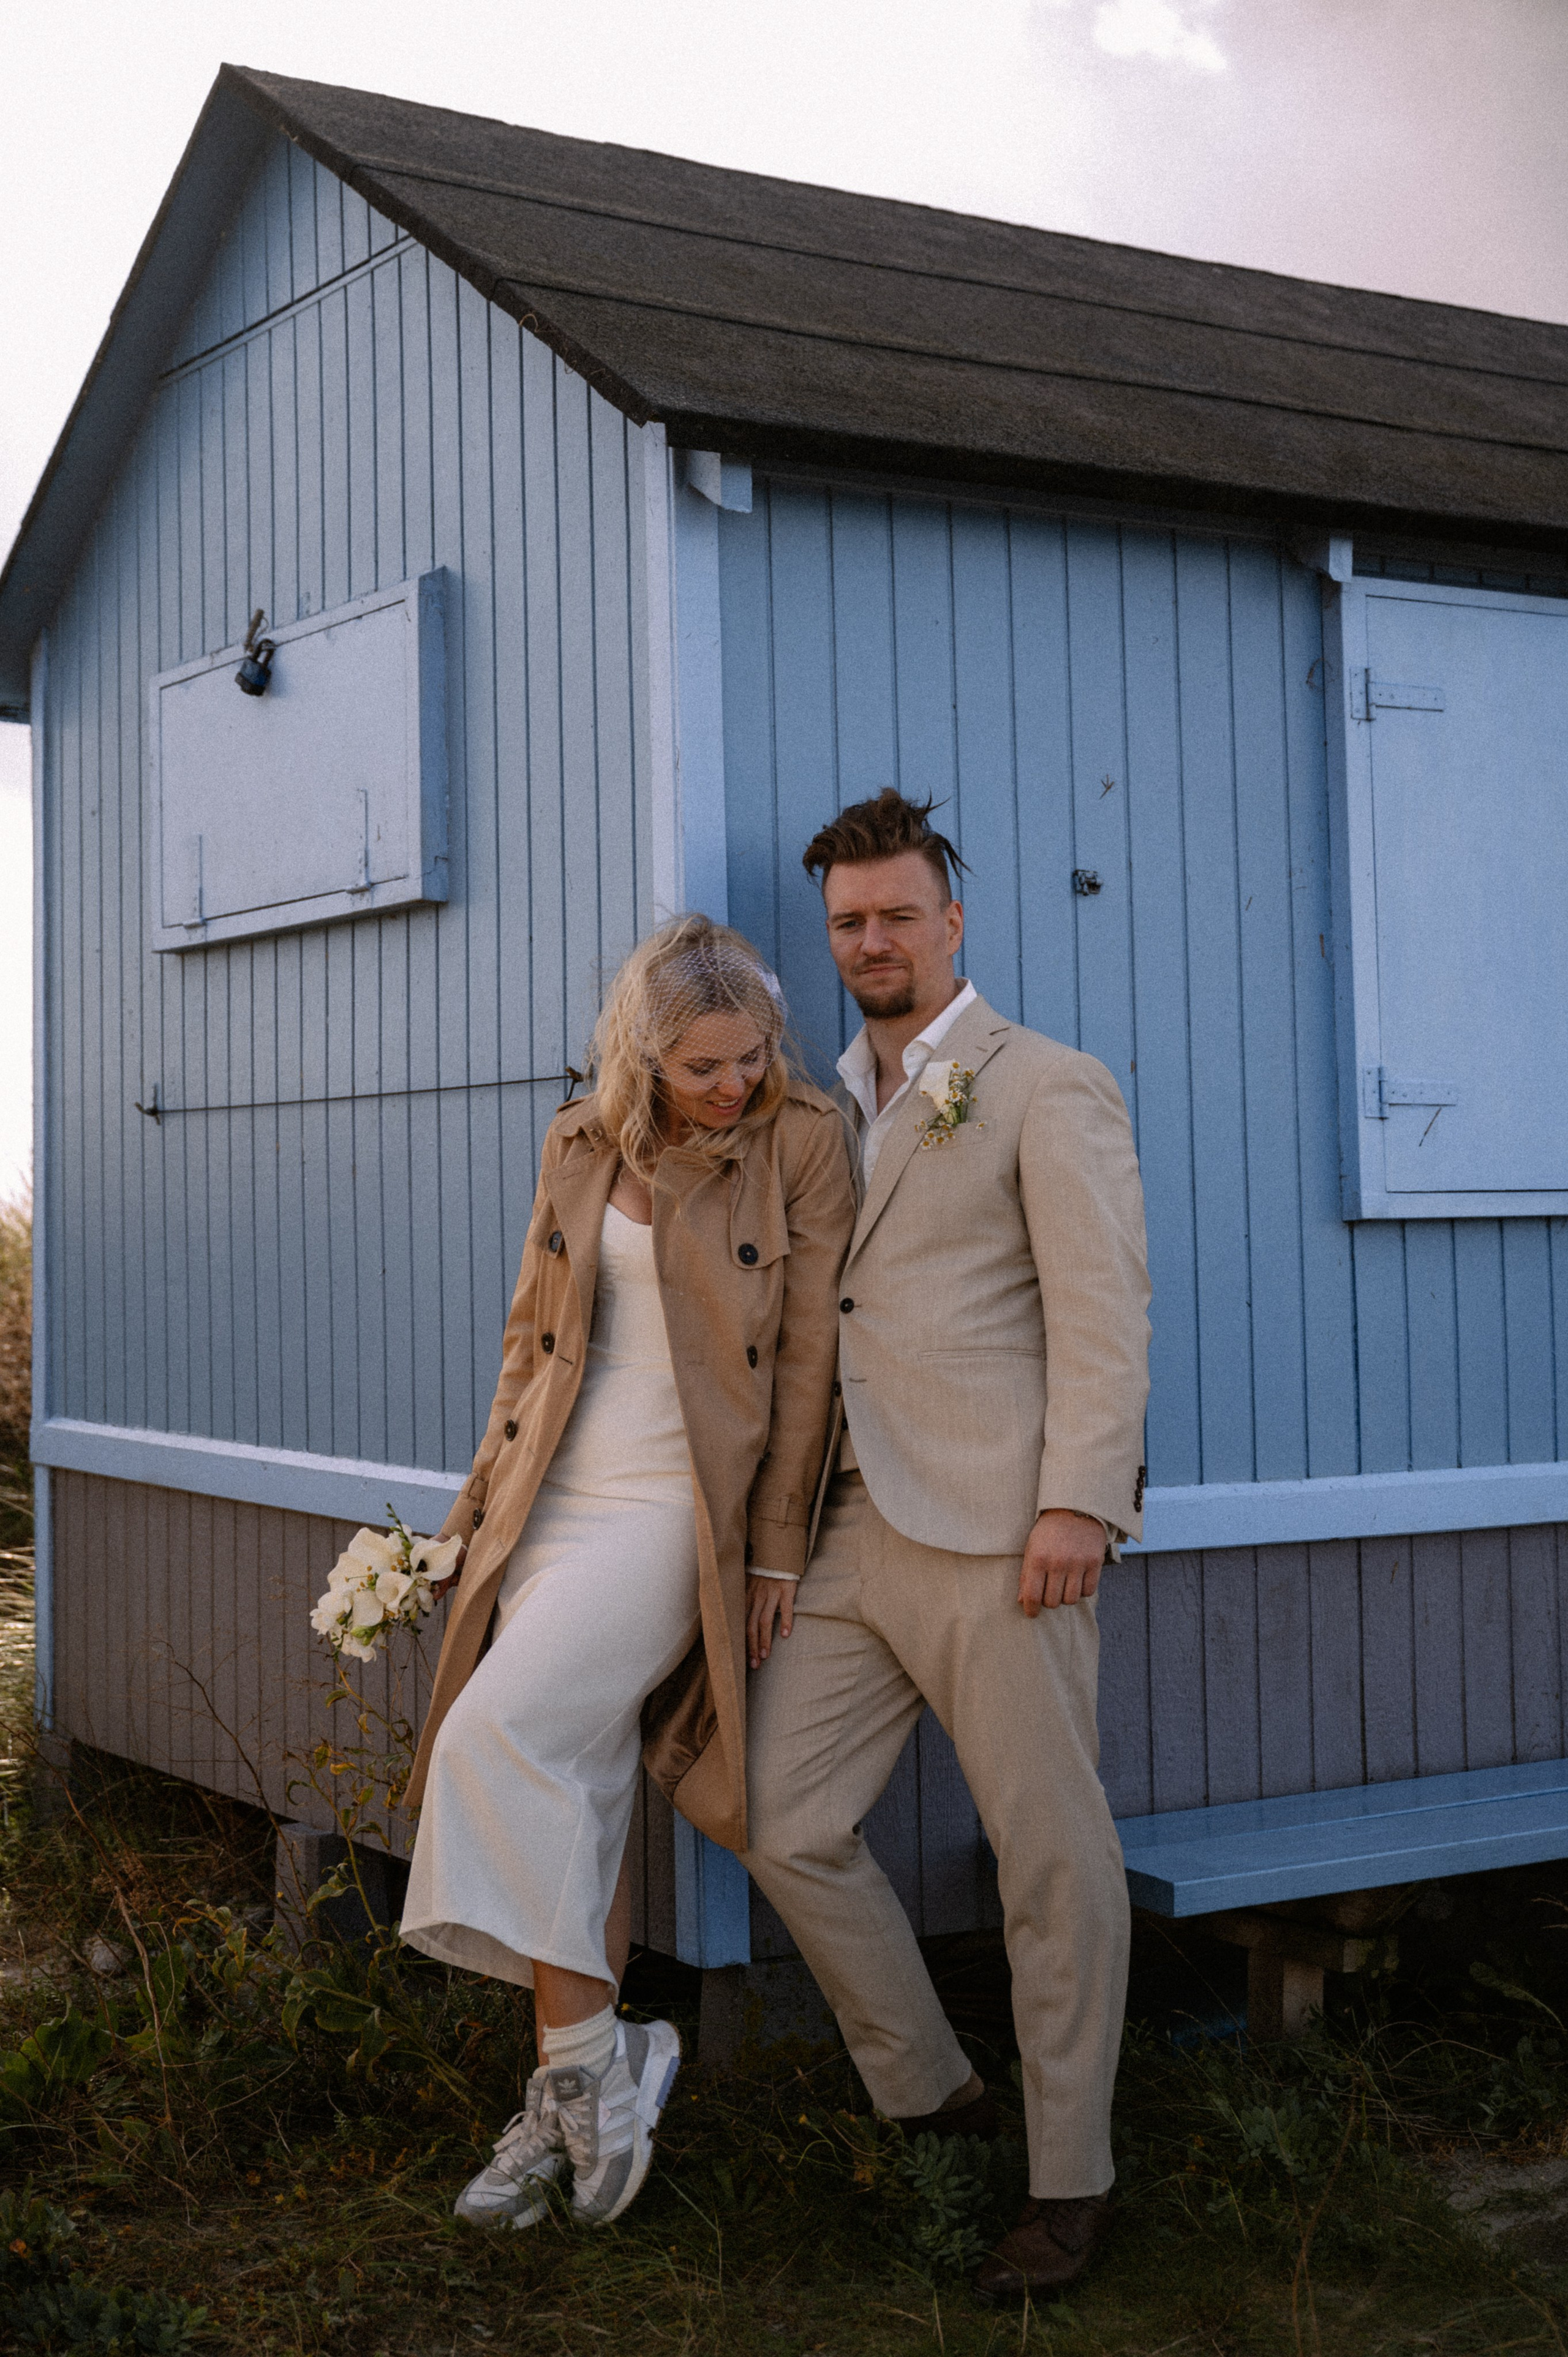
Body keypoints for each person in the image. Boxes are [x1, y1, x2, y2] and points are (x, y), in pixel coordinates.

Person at [742, 790, 1152, 2303]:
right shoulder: (820, 1100)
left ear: (952, 920)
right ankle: (933, 2089)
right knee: (776, 1811)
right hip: (851, 1530)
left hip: (1001, 1533)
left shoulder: (1041, 1084)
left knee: (1051, 1858)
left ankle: (1068, 2185)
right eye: (847, 922)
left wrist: (1077, 1500)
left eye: (896, 914)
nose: (870, 941)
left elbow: (1103, 1308)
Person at [400, 916, 854, 2233]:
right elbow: (529, 1340)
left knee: (501, 1733)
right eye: (702, 1066)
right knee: (574, 1781)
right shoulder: (578, 1141)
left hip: (677, 1506)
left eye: (749, 1055)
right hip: (555, 1492)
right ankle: (580, 2084)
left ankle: (597, 2068)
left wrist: (776, 1543)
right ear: (642, 1059)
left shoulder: (802, 1143)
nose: (733, 1084)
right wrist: (472, 1510)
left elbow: (813, 1367)